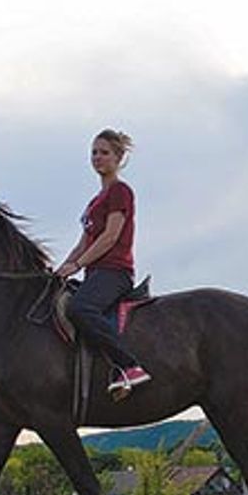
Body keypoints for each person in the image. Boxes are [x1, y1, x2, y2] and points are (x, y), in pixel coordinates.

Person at [55, 129, 151, 399]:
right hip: (95, 272)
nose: (97, 157)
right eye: (94, 152)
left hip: (115, 271)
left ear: (119, 158)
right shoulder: (93, 202)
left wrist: (78, 265)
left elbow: (110, 237)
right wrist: (62, 269)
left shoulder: (120, 191)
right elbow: (83, 244)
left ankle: (129, 366)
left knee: (80, 307)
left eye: (104, 152)